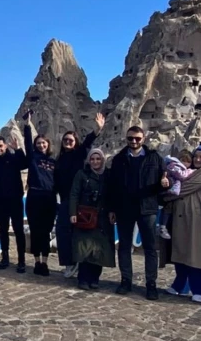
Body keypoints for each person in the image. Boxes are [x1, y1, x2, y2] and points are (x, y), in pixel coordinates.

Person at [107, 126, 169, 300]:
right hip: (124, 208)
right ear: (126, 139)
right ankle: (126, 280)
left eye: (137, 138)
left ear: (144, 138)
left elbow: (163, 180)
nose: (134, 141)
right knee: (125, 246)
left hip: (147, 208)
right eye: (130, 138)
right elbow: (113, 187)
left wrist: (166, 184)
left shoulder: (154, 158)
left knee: (149, 247)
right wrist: (112, 208)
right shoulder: (119, 159)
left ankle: (151, 284)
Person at [161, 145, 201, 303]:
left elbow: (180, 189)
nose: (197, 160)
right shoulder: (190, 171)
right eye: (196, 156)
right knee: (181, 251)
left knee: (196, 253)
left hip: (196, 219)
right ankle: (181, 285)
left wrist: (163, 192)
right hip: (182, 218)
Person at [53, 112, 103, 278]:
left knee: (74, 232)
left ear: (75, 143)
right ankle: (70, 262)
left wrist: (97, 130)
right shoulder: (59, 159)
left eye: (71, 140)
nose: (67, 142)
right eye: (65, 140)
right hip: (65, 199)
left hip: (78, 199)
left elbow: (88, 142)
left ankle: (75, 263)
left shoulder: (78, 154)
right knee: (62, 231)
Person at [69, 149, 115, 289]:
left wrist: (113, 210)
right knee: (84, 248)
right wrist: (73, 213)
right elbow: (74, 194)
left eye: (98, 159)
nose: (95, 162)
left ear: (102, 160)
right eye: (92, 159)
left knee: (100, 249)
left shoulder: (107, 175)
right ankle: (83, 279)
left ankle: (95, 278)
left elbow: (113, 194)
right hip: (85, 216)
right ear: (89, 160)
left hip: (103, 217)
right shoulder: (82, 174)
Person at [0, 134, 28, 273]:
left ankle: (21, 260)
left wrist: (19, 149)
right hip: (0, 200)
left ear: (5, 146)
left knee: (18, 230)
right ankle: (5, 257)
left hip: (15, 199)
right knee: (2, 229)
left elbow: (25, 163)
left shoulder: (13, 158)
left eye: (0, 146)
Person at [22, 111, 57, 276]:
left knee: (46, 231)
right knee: (35, 230)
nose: (41, 145)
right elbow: (28, 144)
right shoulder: (33, 158)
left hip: (49, 198)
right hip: (34, 197)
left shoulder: (53, 162)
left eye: (44, 143)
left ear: (48, 145)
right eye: (39, 143)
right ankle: (37, 262)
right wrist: (28, 125)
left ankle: (45, 262)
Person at [158, 150, 195, 239]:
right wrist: (191, 171)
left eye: (188, 162)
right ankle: (162, 227)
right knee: (167, 209)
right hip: (169, 191)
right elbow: (181, 176)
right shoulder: (175, 166)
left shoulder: (176, 165)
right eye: (184, 160)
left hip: (173, 191)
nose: (186, 163)